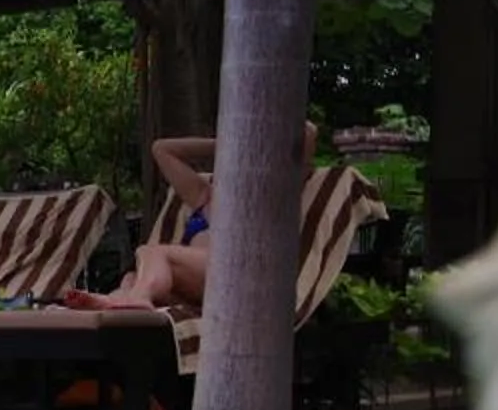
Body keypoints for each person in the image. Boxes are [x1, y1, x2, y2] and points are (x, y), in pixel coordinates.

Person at [62, 123, 318, 312]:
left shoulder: (270, 195)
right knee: (132, 276)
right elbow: (161, 149)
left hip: (237, 280)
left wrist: (254, 138)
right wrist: (224, 143)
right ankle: (115, 301)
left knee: (153, 253)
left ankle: (136, 298)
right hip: (198, 287)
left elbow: (308, 131)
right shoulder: (204, 195)